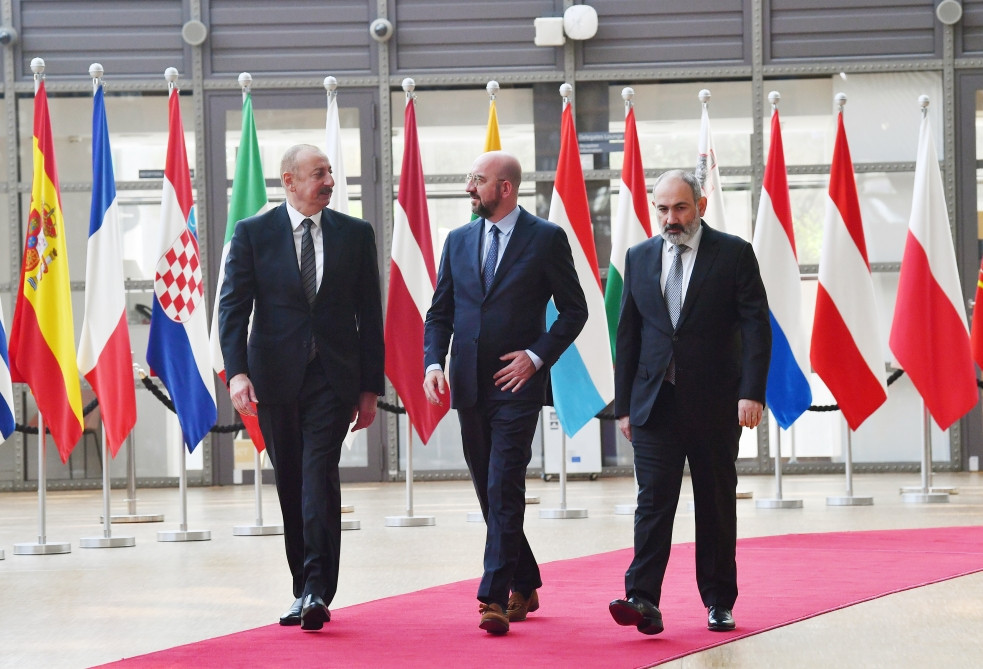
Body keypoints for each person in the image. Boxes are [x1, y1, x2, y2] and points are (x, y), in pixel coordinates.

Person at [218, 144, 384, 632]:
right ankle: (302, 587)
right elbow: (233, 308)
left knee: (318, 475)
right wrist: (237, 373)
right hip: (274, 378)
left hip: (333, 379)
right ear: (288, 181)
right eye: (318, 174)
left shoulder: (355, 233)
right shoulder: (253, 234)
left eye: (330, 172)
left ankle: (316, 588)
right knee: (291, 481)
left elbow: (369, 315)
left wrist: (369, 388)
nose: (328, 181)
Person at [423, 150, 588, 635]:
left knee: (503, 485)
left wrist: (536, 356)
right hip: (469, 384)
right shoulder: (457, 240)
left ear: (505, 188)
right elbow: (440, 313)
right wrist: (433, 362)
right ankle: (526, 579)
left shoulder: (546, 238)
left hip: (517, 385)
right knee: (488, 490)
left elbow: (575, 310)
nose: (468, 188)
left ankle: (494, 597)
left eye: (477, 180)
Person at [608, 170, 770, 635]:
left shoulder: (734, 253)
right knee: (652, 502)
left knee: (714, 503)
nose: (670, 218)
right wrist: (624, 406)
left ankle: (719, 601)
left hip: (716, 403)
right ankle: (642, 598)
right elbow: (628, 335)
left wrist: (752, 392)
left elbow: (756, 327)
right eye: (662, 209)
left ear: (700, 205)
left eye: (679, 208)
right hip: (654, 403)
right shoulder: (639, 256)